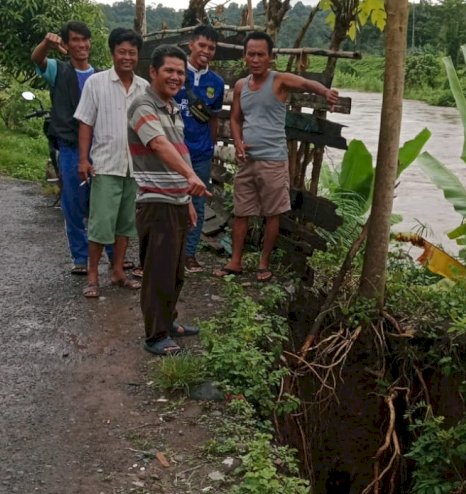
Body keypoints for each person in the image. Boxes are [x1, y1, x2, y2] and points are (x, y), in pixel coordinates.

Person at [213, 31, 339, 282]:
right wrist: (237, 144)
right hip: (247, 161)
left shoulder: (279, 81)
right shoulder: (241, 86)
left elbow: (305, 84)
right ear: (245, 56)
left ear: (270, 57)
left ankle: (263, 263)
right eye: (251, 54)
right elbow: (236, 119)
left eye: (261, 54)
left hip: (273, 160)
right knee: (241, 212)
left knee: (272, 213)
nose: (256, 59)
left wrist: (325, 92)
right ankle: (235, 261)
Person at [128, 45, 210, 356]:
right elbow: (160, 145)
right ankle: (155, 336)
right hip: (156, 202)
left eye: (180, 72)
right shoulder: (143, 105)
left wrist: (186, 197)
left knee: (175, 273)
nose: (176, 77)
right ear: (153, 72)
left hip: (175, 201)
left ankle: (170, 321)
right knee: (157, 273)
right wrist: (191, 176)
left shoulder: (173, 107)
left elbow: (177, 148)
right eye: (169, 71)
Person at [31, 21, 115, 276]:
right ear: (66, 45)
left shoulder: (101, 76)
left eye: (85, 39)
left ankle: (114, 257)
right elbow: (37, 58)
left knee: (105, 204)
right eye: (75, 40)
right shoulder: (59, 70)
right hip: (68, 147)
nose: (81, 44)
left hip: (100, 149)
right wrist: (46, 43)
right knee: (74, 204)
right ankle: (81, 258)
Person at [74, 28, 148, 298]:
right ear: (112, 53)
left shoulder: (144, 87)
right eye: (122, 52)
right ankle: (93, 276)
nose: (127, 57)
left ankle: (118, 271)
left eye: (132, 52)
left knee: (125, 225)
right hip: (105, 165)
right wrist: (83, 158)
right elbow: (85, 122)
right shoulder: (96, 82)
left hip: (135, 168)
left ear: (138, 55)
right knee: (100, 224)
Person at [174, 25, 225, 273]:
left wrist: (211, 146)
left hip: (201, 152)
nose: (206, 51)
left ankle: (189, 254)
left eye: (211, 48)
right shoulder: (175, 73)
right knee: (170, 200)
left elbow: (214, 118)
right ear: (191, 44)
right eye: (202, 45)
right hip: (173, 151)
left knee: (199, 202)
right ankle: (167, 253)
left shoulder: (216, 82)